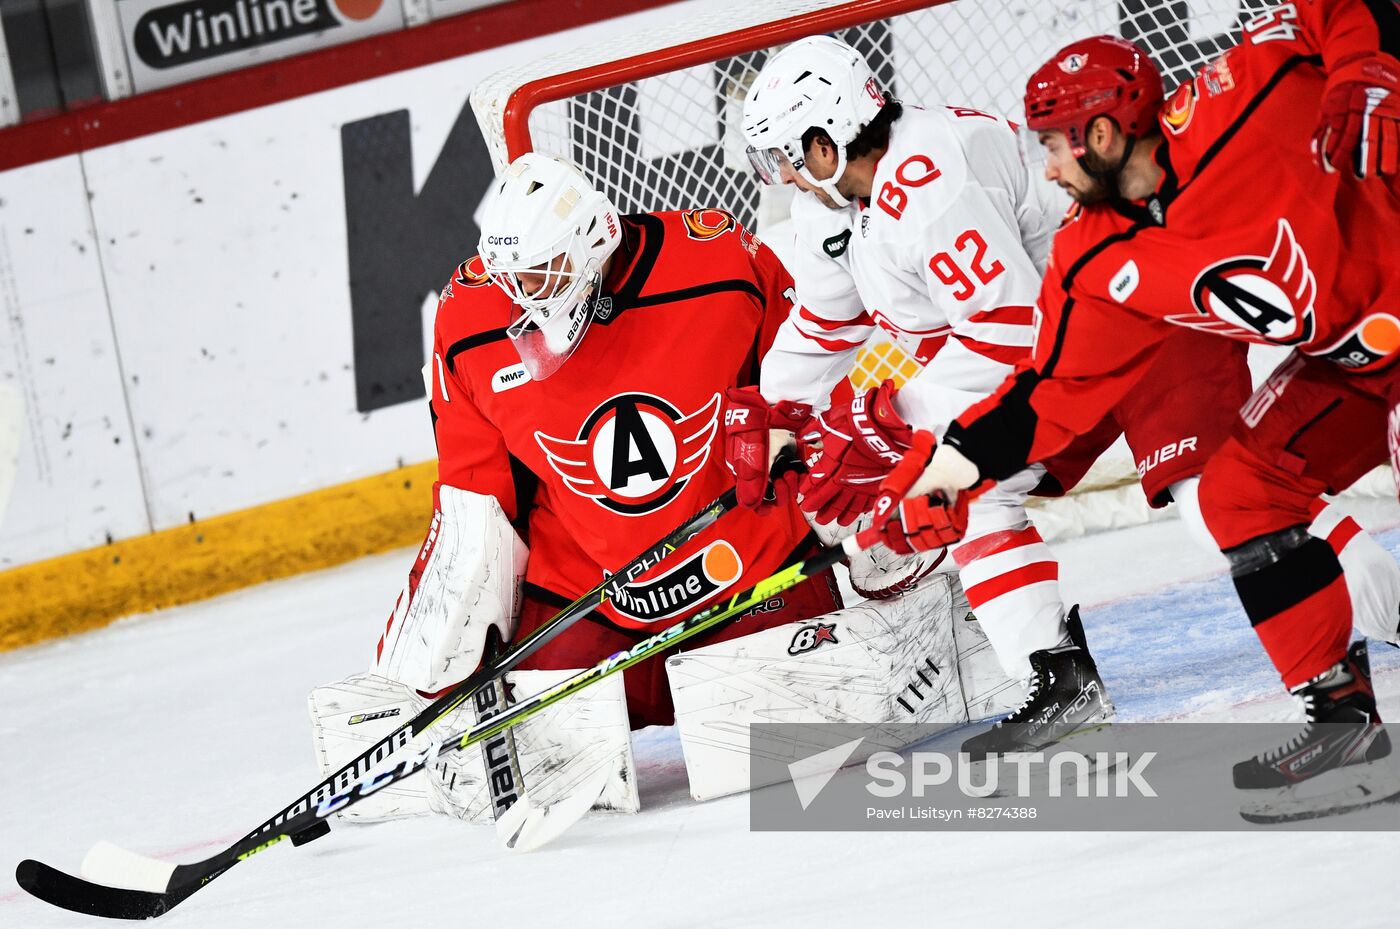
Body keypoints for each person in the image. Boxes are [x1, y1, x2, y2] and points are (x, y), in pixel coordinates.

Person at [306, 152, 999, 823]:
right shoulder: (468, 322)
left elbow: (814, 408)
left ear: (591, 244)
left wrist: (877, 541)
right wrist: (433, 664)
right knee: (526, 735)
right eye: (510, 273)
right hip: (591, 599)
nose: (521, 295)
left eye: (543, 273)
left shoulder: (721, 266)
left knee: (796, 745)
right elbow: (476, 504)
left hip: (750, 579)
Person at [879, 0, 1400, 814]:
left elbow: (1331, 8)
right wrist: (950, 467)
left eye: (1052, 147)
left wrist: (1369, 65)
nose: (1046, 171)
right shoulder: (1092, 258)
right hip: (1351, 366)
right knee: (1238, 494)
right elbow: (1047, 395)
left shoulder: (1238, 103)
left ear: (1102, 135)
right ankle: (1347, 729)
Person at [733, 35, 1260, 755]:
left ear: (826, 142)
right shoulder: (837, 206)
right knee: (965, 491)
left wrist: (893, 419)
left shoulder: (929, 179)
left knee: (1224, 505)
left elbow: (1007, 331)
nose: (786, 178)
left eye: (789, 156)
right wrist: (776, 414)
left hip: (1143, 318)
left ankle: (1374, 611)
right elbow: (828, 317)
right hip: (1065, 363)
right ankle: (1061, 679)